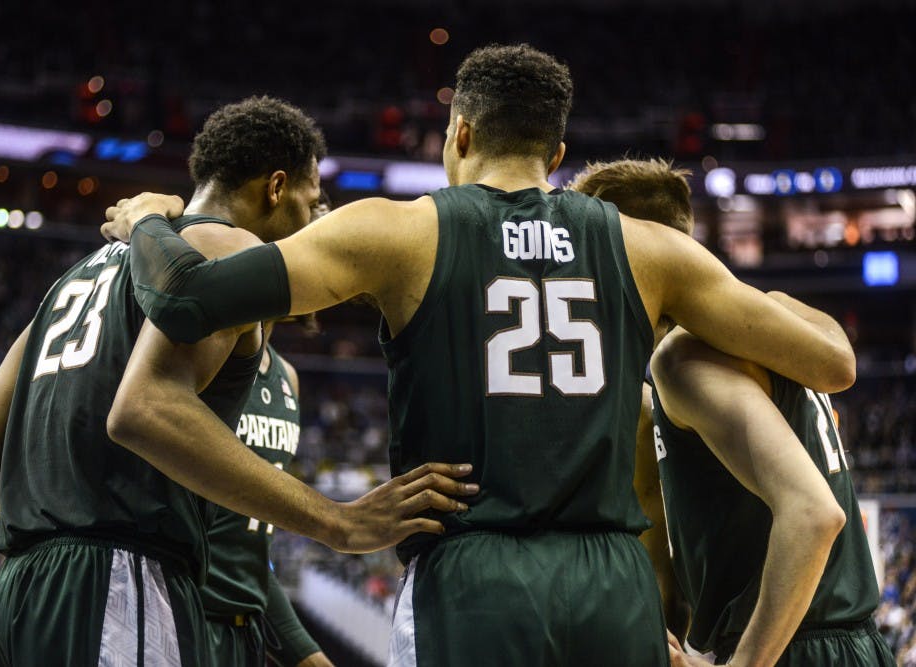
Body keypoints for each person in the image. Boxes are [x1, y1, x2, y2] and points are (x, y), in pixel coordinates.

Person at [101, 44, 855, 666]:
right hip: (614, 590)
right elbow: (833, 365)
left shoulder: (398, 231)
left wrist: (145, 219)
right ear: (556, 154)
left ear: (457, 133)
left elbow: (187, 297)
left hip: (475, 582)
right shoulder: (650, 249)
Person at [0, 97, 474, 667]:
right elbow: (145, 411)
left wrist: (59, 529)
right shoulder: (227, 247)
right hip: (123, 583)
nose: (311, 224)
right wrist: (337, 521)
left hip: (23, 591)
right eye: (309, 200)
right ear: (276, 188)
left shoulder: (76, 276)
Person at [571, 158, 893, 667]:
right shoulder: (774, 326)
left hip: (792, 646)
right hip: (848, 642)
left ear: (630, 248)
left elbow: (813, 515)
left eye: (589, 246)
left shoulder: (681, 359)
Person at [200, 199, 332, 667]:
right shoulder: (208, 350)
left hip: (244, 632)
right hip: (186, 615)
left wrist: (307, 654)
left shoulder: (287, 377)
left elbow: (250, 550)